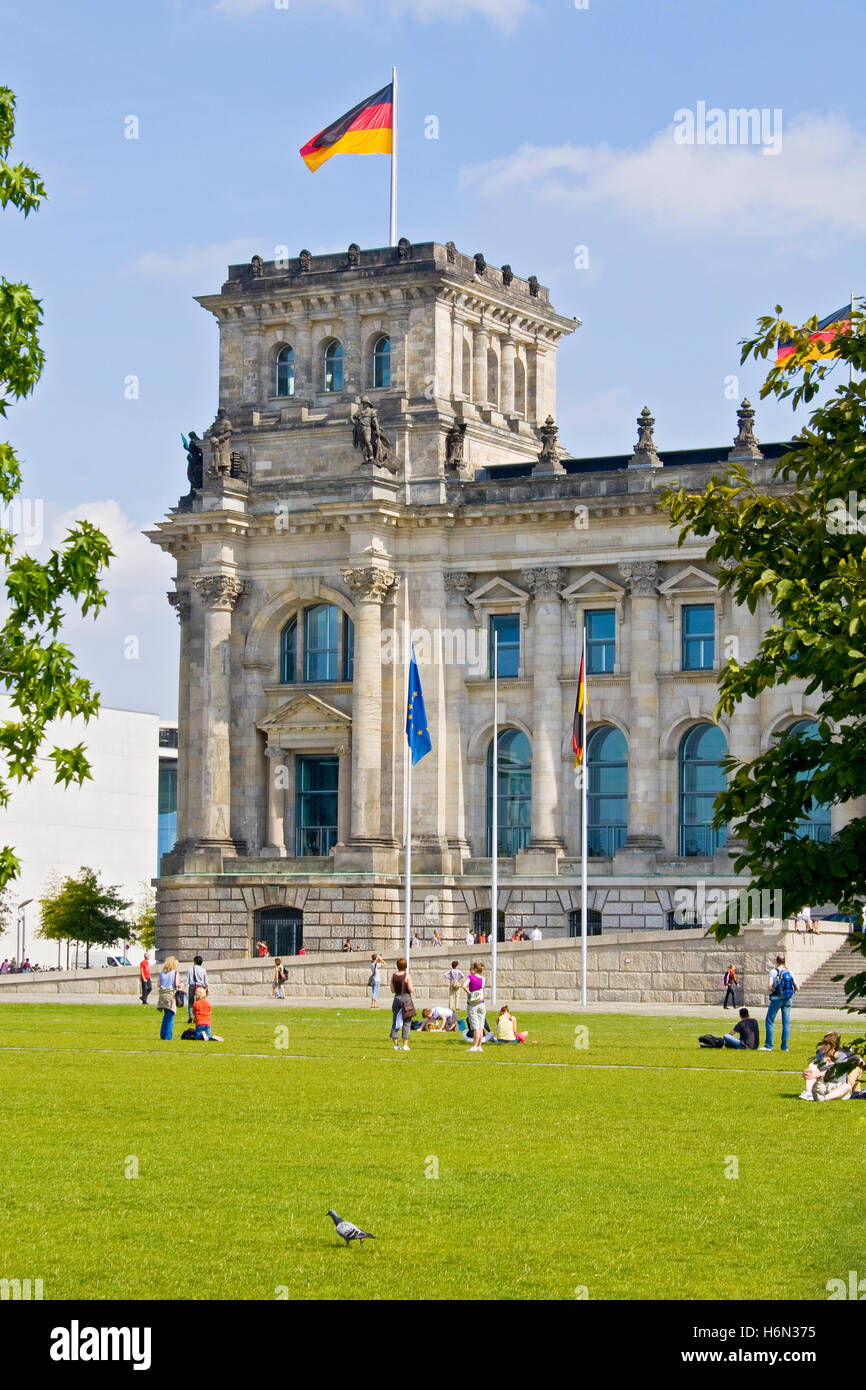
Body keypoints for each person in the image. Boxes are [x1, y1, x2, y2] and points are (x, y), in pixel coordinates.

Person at [800, 1033, 862, 1100]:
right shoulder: (820, 1053)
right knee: (811, 1070)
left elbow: (836, 1072)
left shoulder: (843, 1055)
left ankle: (824, 1098)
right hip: (822, 1085)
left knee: (847, 1087)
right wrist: (808, 1072)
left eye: (826, 1043)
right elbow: (812, 1064)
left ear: (833, 1045)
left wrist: (820, 1073)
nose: (823, 1045)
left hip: (837, 1086)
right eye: (823, 1042)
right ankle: (808, 1093)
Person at [761, 954, 799, 1052]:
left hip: (776, 999)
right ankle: (784, 1047)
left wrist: (775, 990)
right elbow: (797, 987)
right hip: (788, 999)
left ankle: (769, 1045)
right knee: (786, 1023)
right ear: (785, 962)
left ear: (776, 961)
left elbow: (769, 986)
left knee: (769, 1021)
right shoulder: (790, 972)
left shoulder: (773, 972)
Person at [390, 957, 414, 1051]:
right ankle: (405, 1044)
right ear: (405, 966)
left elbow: (392, 990)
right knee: (407, 1022)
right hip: (406, 999)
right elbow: (411, 989)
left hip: (396, 998)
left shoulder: (393, 976)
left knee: (396, 1022)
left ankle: (396, 1045)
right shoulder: (406, 975)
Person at [461, 961, 487, 1052]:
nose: (469, 970)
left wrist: (469, 993)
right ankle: (479, 1046)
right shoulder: (483, 979)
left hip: (472, 1004)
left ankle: (475, 1046)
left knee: (475, 1026)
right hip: (481, 1003)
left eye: (471, 968)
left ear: (475, 969)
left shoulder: (470, 977)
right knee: (481, 1027)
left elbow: (463, 986)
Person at [157, 956, 181, 1040]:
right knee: (171, 1016)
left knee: (166, 1015)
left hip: (163, 996)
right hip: (170, 995)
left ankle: (162, 1034)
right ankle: (168, 1036)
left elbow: (159, 984)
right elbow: (177, 984)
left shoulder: (161, 973)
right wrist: (180, 985)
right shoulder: (175, 972)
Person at [186, 955, 208, 1022]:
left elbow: (187, 980)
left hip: (192, 986)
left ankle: (191, 1016)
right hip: (200, 987)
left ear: (195, 961)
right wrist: (206, 989)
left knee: (191, 1002)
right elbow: (206, 981)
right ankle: (198, 1017)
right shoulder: (203, 970)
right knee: (200, 1002)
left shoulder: (190, 969)